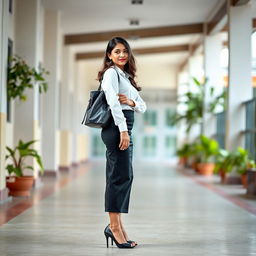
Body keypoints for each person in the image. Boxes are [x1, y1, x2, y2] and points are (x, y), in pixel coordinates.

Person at [98, 37, 146, 249]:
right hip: (117, 129)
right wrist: (123, 131)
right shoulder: (110, 74)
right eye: (116, 51)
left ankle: (117, 226)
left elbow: (143, 106)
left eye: (125, 51)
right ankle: (114, 228)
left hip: (125, 128)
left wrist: (132, 101)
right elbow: (112, 103)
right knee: (118, 178)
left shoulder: (125, 77)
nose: (121, 55)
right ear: (109, 55)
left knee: (123, 176)